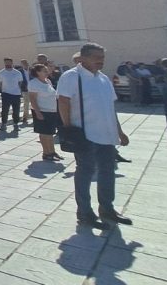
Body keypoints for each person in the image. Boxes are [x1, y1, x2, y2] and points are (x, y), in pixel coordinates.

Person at [58, 42, 131, 229]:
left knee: (107, 173)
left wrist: (119, 131)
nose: (100, 61)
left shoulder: (104, 79)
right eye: (96, 57)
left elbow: (110, 107)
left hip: (106, 135)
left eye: (102, 58)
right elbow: (64, 102)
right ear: (82, 58)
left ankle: (107, 208)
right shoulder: (71, 77)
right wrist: (67, 129)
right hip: (85, 135)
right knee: (85, 173)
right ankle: (84, 212)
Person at [28, 63, 63, 161]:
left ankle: (52, 151)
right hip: (42, 111)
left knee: (50, 133)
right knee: (44, 133)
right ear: (38, 72)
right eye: (44, 71)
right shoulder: (33, 83)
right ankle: (46, 153)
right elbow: (33, 99)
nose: (47, 72)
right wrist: (38, 113)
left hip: (52, 111)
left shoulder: (48, 81)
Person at [0, 58, 23, 132]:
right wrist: (3, 91)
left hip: (16, 94)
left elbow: (20, 83)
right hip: (6, 94)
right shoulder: (1, 73)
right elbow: (0, 84)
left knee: (16, 110)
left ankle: (16, 124)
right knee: (4, 110)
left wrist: (18, 91)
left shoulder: (17, 73)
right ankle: (4, 124)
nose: (8, 64)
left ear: (12, 63)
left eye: (9, 63)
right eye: (6, 63)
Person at [19, 59, 31, 123]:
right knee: (26, 104)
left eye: (25, 63)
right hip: (25, 90)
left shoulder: (32, 70)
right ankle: (25, 117)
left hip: (33, 90)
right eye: (23, 63)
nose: (25, 64)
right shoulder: (20, 72)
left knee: (35, 103)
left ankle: (35, 116)